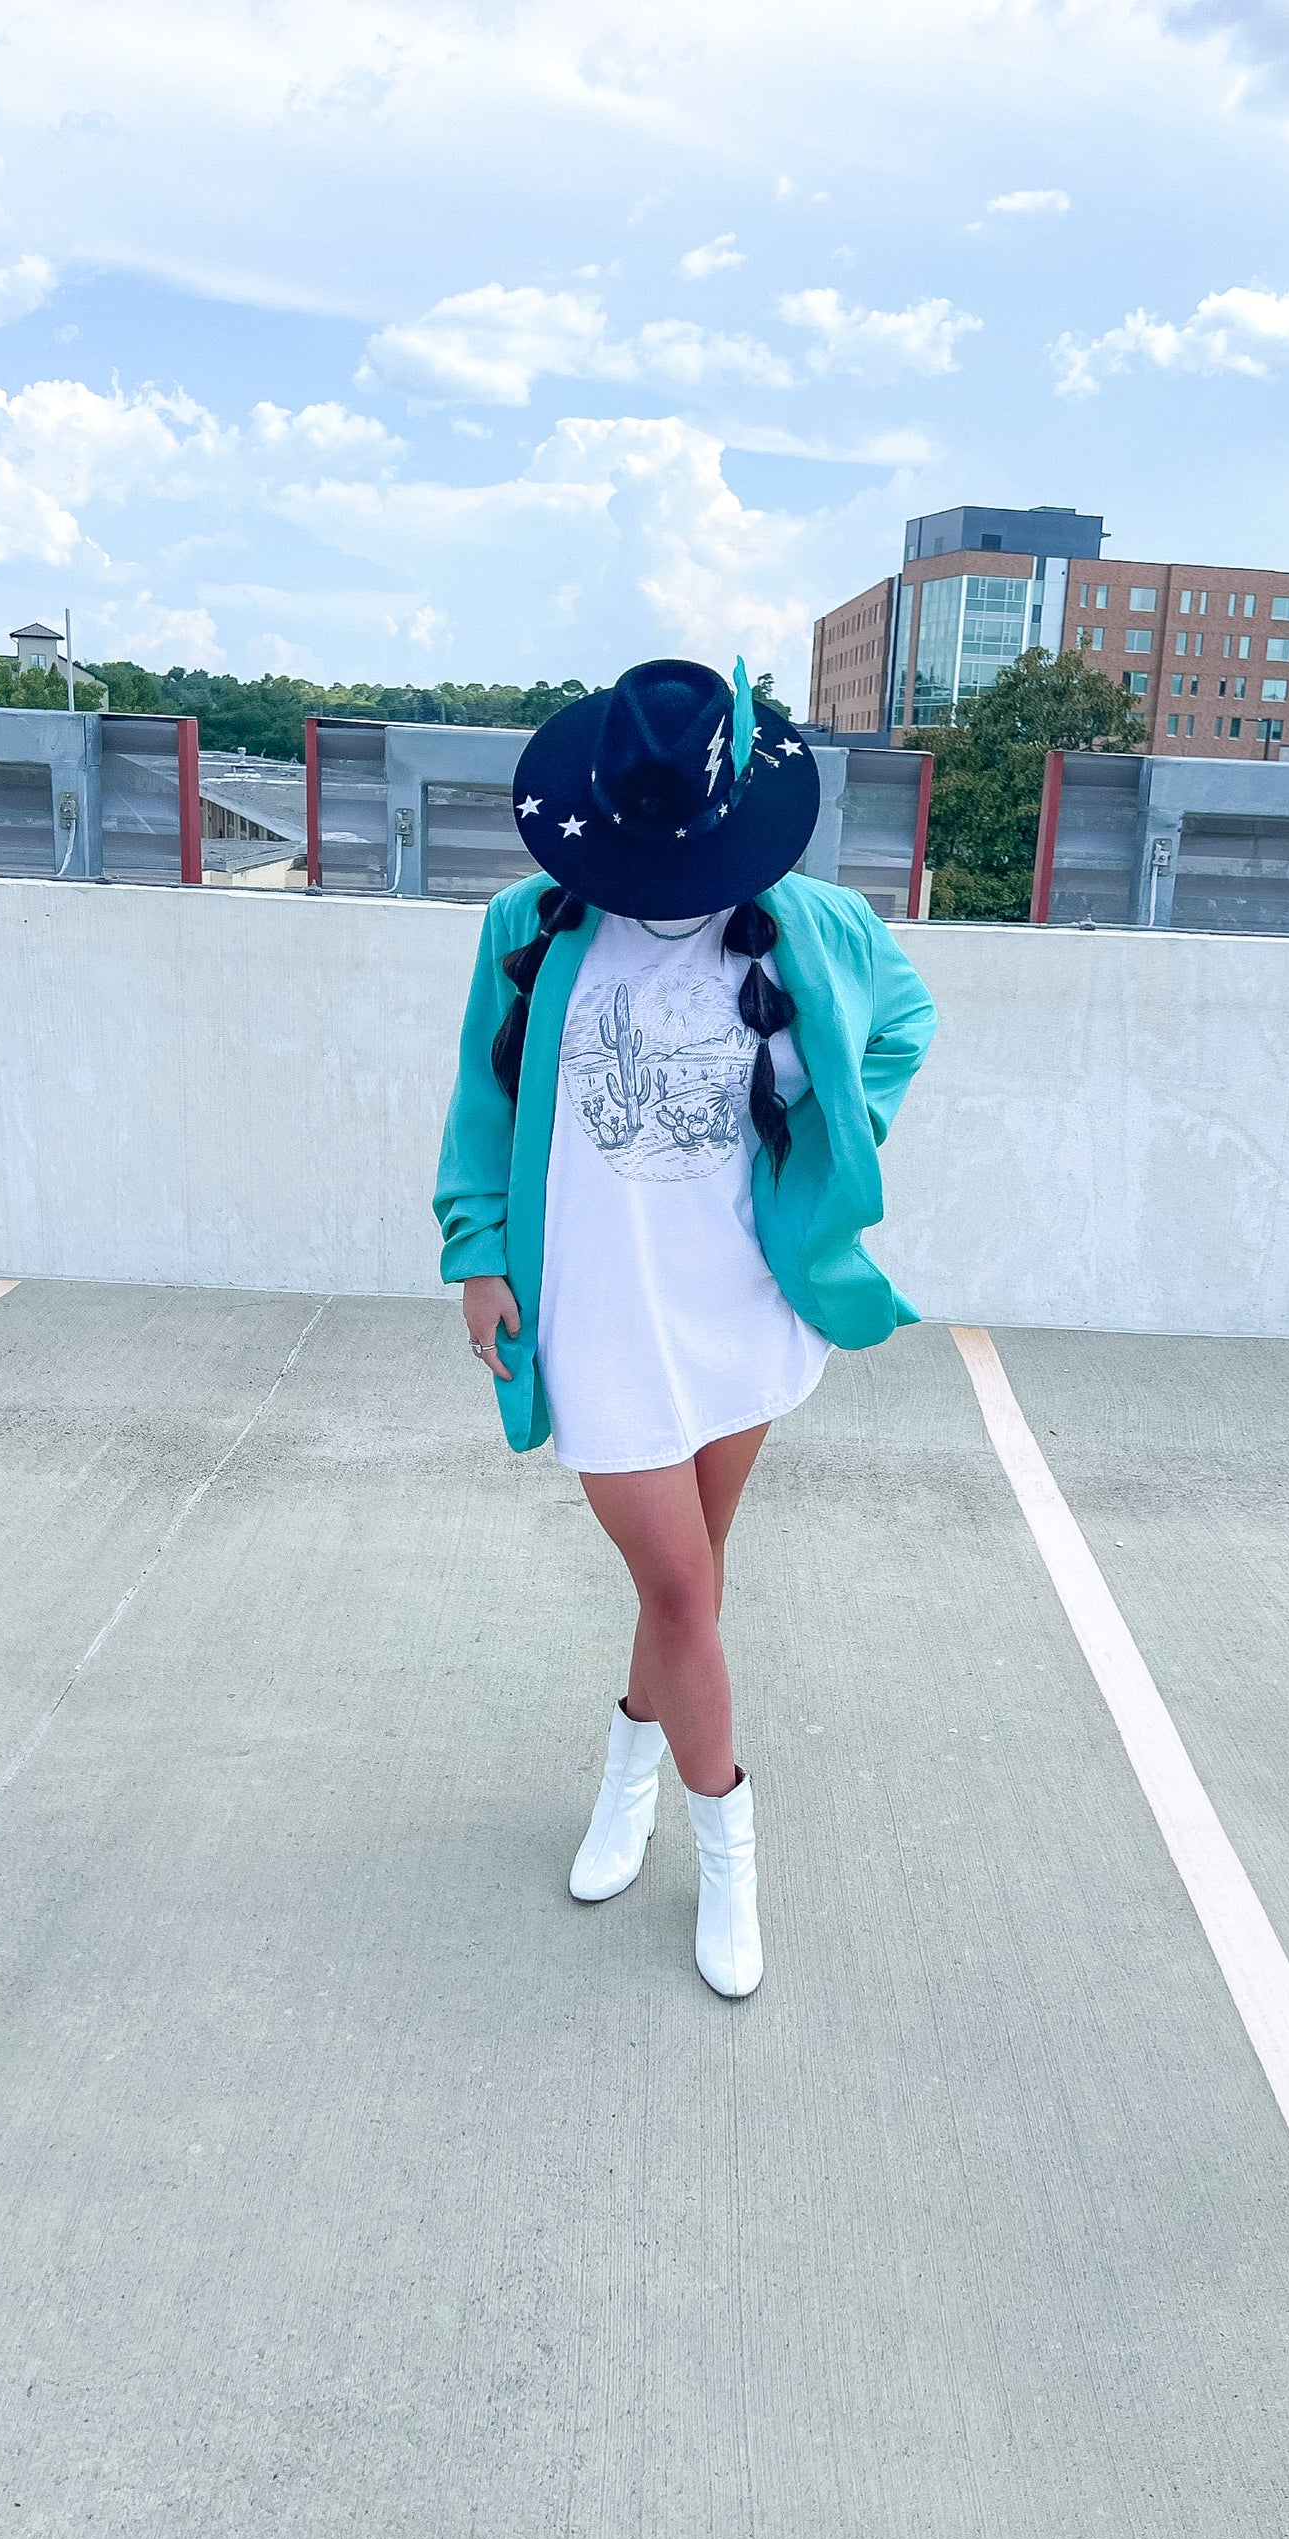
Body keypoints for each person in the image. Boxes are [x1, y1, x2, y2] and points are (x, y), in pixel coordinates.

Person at [434, 657, 936, 1998]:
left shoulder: (814, 924)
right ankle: (729, 1857)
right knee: (676, 1586)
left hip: (737, 1301)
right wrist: (477, 1256)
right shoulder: (529, 927)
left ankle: (625, 1782)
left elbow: (904, 1017)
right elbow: (482, 1113)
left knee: (693, 1579)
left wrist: (840, 1135)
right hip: (594, 1313)